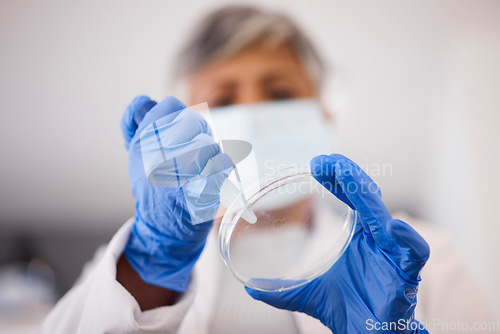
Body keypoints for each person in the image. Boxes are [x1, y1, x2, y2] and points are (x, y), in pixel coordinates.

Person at [38, 6, 496, 334]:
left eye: (279, 94)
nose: (254, 111)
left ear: (324, 114)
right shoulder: (131, 268)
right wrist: (153, 265)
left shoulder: (412, 258)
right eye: (224, 100)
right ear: (189, 126)